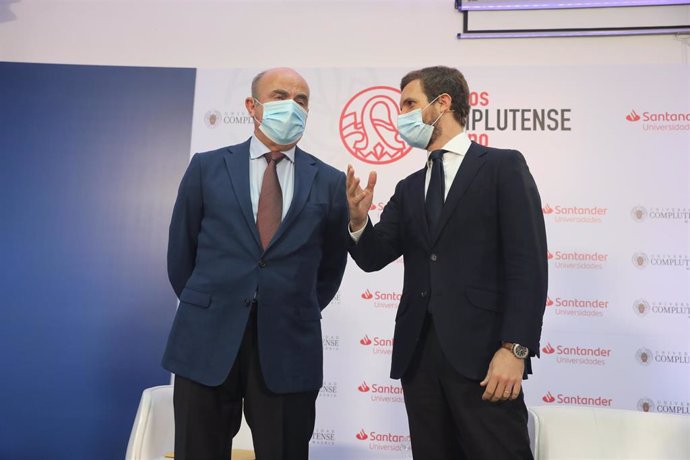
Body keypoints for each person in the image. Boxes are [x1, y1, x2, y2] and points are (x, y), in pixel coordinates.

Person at [346, 66, 548, 460]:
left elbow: (528, 264)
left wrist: (516, 349)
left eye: (409, 103)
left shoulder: (502, 166)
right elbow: (373, 257)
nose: (400, 115)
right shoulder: (408, 187)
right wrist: (357, 221)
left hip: (485, 358)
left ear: (443, 103)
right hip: (418, 358)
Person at [162, 67, 349, 460]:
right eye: (280, 96)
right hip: (206, 340)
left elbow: (330, 267)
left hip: (288, 345)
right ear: (253, 105)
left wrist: (292, 305)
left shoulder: (330, 182)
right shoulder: (206, 167)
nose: (291, 106)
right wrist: (213, 302)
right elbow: (182, 255)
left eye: (301, 100)